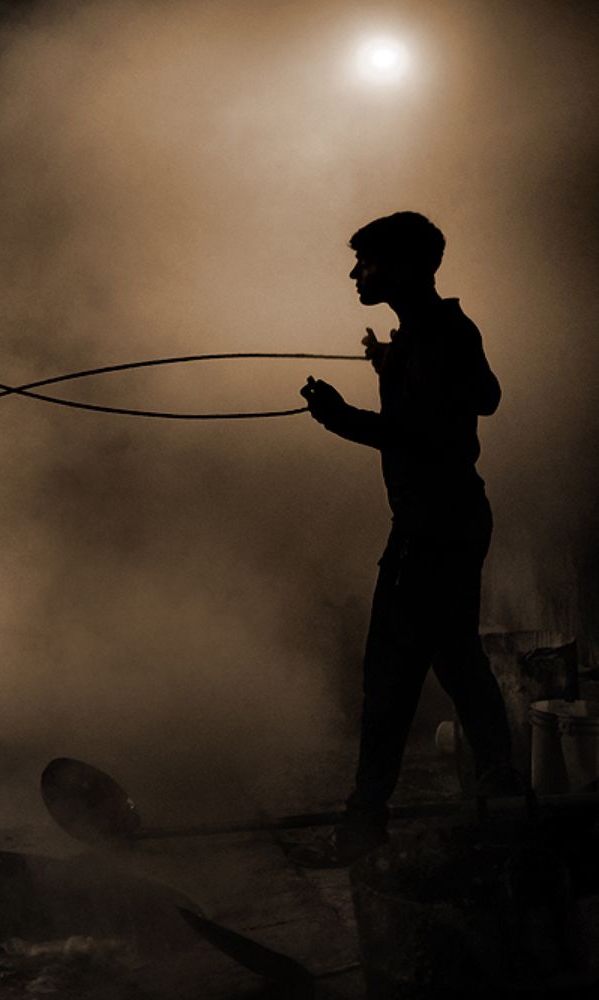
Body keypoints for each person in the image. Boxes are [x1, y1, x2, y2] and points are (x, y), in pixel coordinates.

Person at [296, 211, 520, 867]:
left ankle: (364, 825)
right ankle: (505, 805)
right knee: (458, 664)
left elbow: (424, 433)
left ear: (401, 268)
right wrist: (393, 361)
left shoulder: (435, 336)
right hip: (454, 520)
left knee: (390, 679)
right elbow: (484, 395)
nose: (354, 273)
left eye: (365, 262)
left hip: (430, 529)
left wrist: (339, 416)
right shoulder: (443, 329)